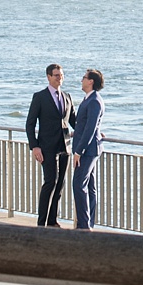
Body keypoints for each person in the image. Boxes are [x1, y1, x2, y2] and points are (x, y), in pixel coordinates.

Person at [25, 62, 74, 227]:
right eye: (56, 75)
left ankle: (53, 221)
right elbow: (30, 124)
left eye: (61, 75)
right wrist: (35, 146)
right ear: (48, 77)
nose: (60, 78)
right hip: (46, 147)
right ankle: (41, 223)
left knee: (60, 184)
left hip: (65, 146)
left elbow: (74, 121)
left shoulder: (67, 96)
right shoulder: (40, 97)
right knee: (50, 182)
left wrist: (94, 131)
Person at [71, 68, 105, 230]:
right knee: (89, 187)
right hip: (90, 149)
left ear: (91, 81)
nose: (81, 80)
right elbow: (87, 125)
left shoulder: (94, 101)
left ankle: (84, 225)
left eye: (84, 78)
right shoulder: (89, 99)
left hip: (87, 151)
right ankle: (87, 223)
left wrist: (78, 151)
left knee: (79, 184)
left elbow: (90, 128)